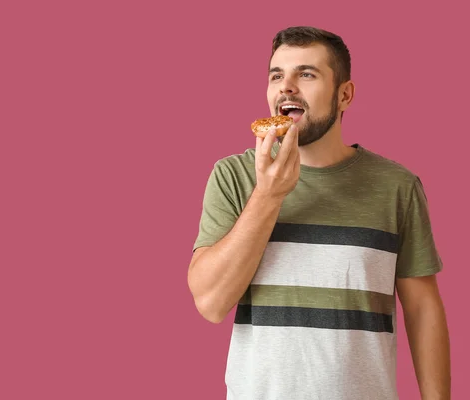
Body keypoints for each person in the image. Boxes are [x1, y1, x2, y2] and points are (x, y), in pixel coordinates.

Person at [187, 26, 451, 400]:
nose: (287, 87)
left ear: (344, 95)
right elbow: (211, 304)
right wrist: (267, 195)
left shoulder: (397, 186)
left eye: (306, 74)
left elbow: (423, 309)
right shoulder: (233, 176)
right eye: (277, 75)